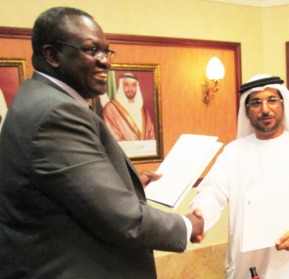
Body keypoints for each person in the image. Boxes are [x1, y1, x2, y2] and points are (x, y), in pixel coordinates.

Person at [0, 7, 203, 278]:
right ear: (52, 55)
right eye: (91, 50)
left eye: (106, 52)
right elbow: (122, 219)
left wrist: (120, 180)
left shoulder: (34, 96)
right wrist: (188, 225)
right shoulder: (57, 113)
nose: (105, 61)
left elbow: (67, 185)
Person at [190, 74, 289, 278]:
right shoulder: (235, 152)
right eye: (256, 102)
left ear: (283, 104)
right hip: (252, 262)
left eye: (272, 100)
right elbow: (213, 191)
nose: (265, 109)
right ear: (246, 110)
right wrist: (199, 216)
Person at [103, 73, 155, 141]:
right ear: (121, 86)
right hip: (122, 151)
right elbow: (112, 135)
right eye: (126, 85)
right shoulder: (110, 108)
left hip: (147, 151)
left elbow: (151, 135)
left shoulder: (143, 110)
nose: (130, 89)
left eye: (133, 85)